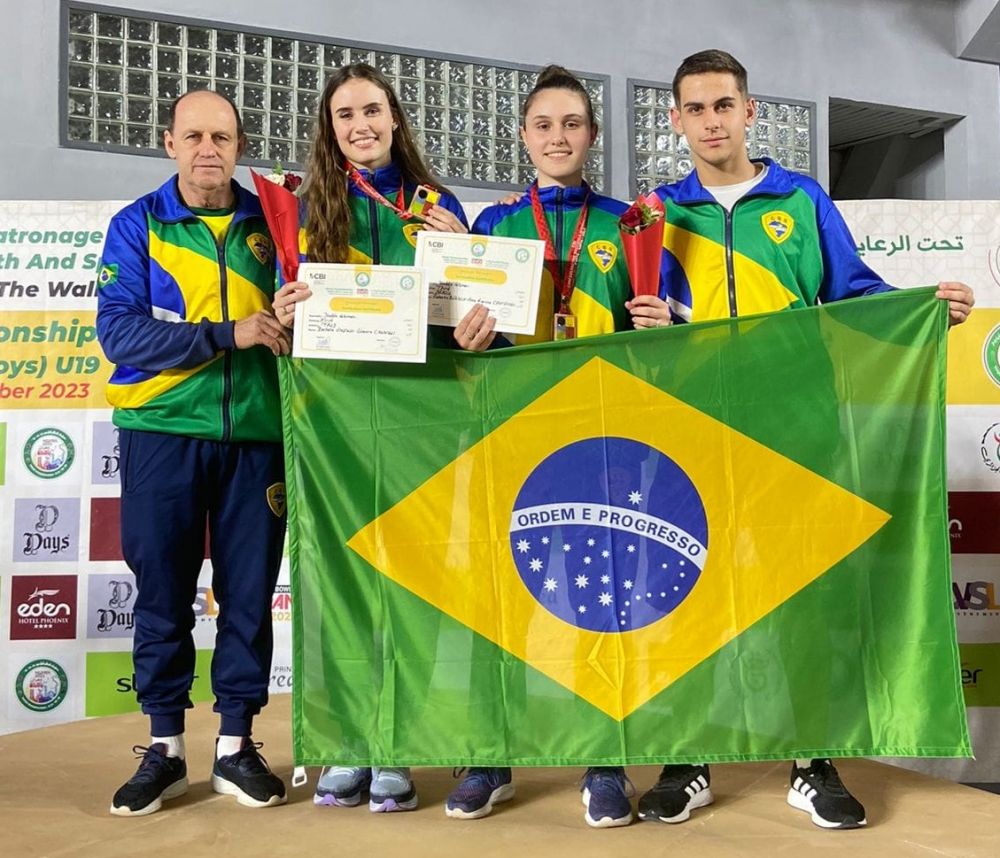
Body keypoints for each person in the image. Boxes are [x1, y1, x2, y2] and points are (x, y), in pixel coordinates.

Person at [630, 48, 975, 830]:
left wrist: (924, 306)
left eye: (725, 105)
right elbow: (623, 320)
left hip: (794, 429)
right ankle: (688, 757)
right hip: (692, 432)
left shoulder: (802, 199)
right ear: (677, 119)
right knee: (694, 595)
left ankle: (811, 759)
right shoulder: (655, 212)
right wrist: (638, 321)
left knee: (801, 592)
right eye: (696, 108)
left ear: (750, 112)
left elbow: (854, 295)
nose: (711, 121)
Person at [271, 62, 468, 813]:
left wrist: (461, 249)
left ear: (395, 120)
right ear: (330, 127)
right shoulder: (306, 204)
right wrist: (286, 305)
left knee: (406, 583)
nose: (360, 125)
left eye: (373, 112)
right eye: (345, 114)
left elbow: (464, 310)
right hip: (338, 417)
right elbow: (288, 313)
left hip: (419, 408)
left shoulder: (434, 202)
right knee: (341, 584)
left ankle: (399, 744)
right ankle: (347, 743)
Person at [449, 65, 635, 828]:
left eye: (572, 124)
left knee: (605, 602)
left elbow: (662, 332)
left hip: (602, 436)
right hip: (513, 436)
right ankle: (490, 757)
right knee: (504, 602)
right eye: (544, 125)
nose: (558, 137)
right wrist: (462, 333)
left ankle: (607, 761)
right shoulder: (491, 227)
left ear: (591, 136)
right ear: (524, 136)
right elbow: (456, 345)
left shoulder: (632, 224)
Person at [97, 90, 290, 817]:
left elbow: (305, 311)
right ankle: (165, 747)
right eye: (195, 136)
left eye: (224, 136)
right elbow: (122, 337)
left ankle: (236, 746)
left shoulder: (272, 223)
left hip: (257, 439)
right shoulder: (137, 224)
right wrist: (225, 334)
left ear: (240, 145)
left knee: (249, 595)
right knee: (163, 593)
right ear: (169, 142)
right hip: (161, 436)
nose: (209, 148)